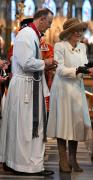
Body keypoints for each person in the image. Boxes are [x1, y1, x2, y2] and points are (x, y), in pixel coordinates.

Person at [0, 8, 58, 176]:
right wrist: (45, 62)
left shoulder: (32, 34)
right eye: (48, 23)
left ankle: (26, 164)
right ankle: (25, 165)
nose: (49, 27)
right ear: (41, 19)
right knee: (25, 128)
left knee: (24, 127)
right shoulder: (27, 35)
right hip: (25, 87)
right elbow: (26, 63)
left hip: (29, 85)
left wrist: (46, 63)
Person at [47, 17, 93, 173]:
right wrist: (77, 70)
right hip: (63, 89)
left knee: (76, 123)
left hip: (77, 89)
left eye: (81, 30)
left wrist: (90, 69)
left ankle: (73, 158)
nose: (79, 33)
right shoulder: (60, 46)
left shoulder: (83, 47)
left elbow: (85, 64)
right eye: (76, 30)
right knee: (63, 122)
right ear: (69, 33)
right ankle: (63, 159)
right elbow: (59, 70)